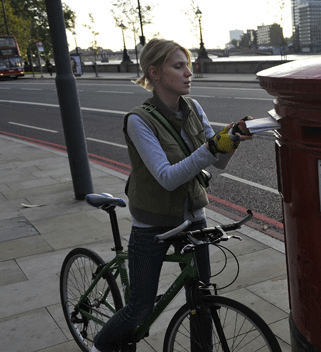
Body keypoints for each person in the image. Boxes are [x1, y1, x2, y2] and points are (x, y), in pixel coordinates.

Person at [92, 38, 252, 352]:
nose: (188, 72)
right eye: (178, 66)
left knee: (202, 297)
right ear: (154, 72)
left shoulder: (193, 107)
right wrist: (210, 147)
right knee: (139, 308)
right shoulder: (139, 120)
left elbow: (217, 161)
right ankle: (100, 346)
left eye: (188, 65)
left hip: (193, 216)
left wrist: (230, 140)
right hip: (153, 225)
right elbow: (167, 178)